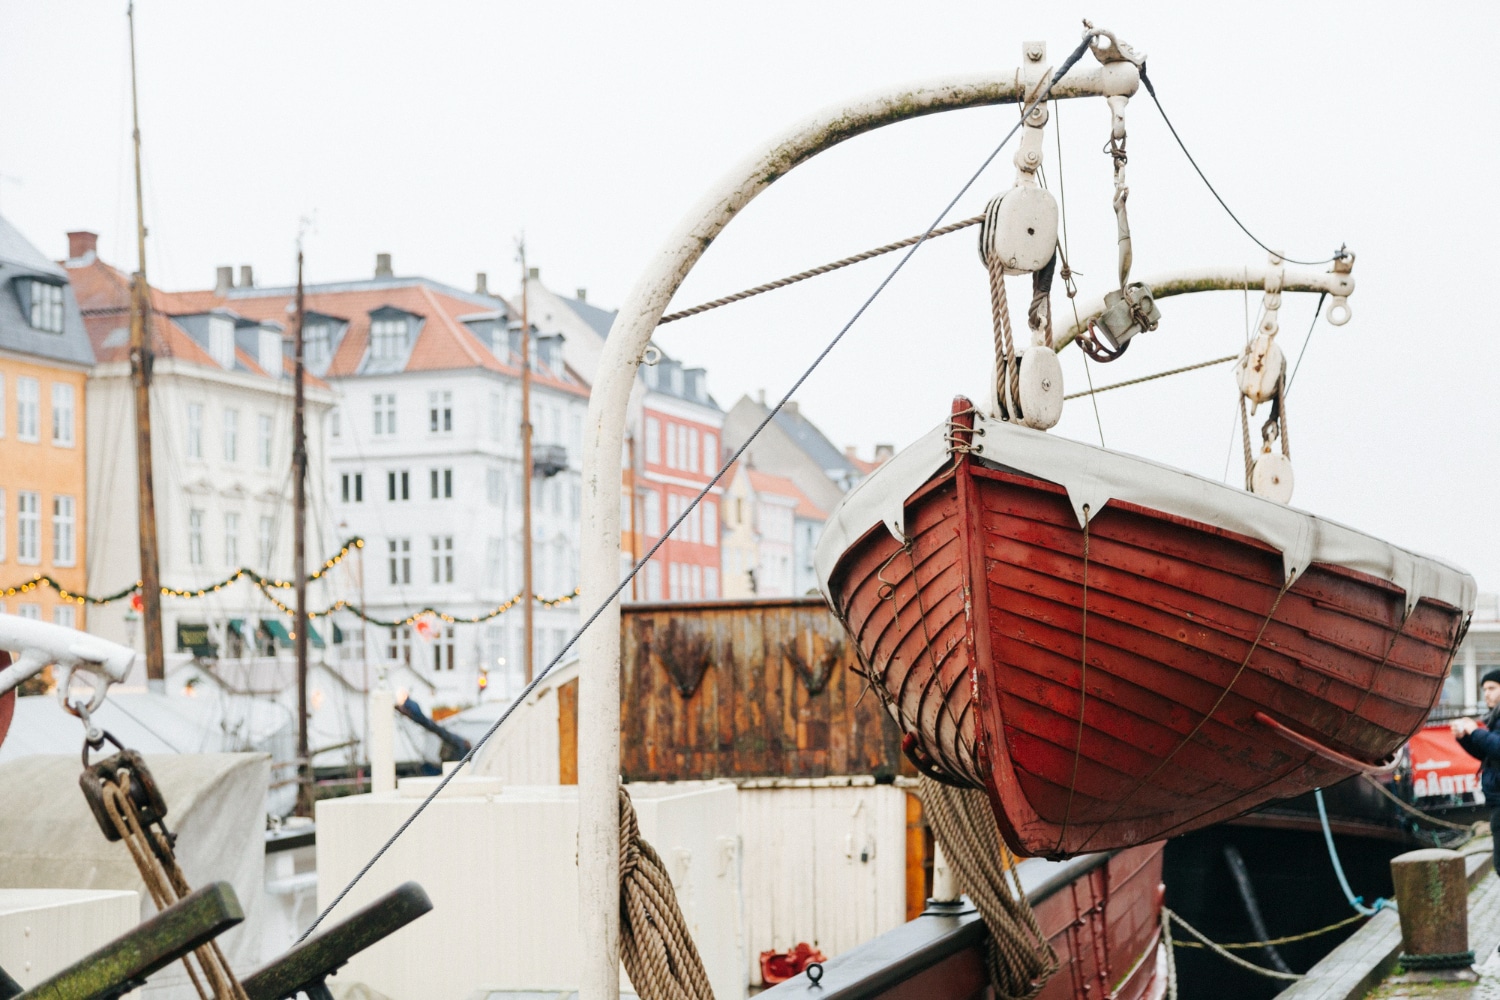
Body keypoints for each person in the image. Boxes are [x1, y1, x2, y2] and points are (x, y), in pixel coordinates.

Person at [1452, 669, 1500, 873]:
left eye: (1492, 688)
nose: (1486, 694)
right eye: (1484, 689)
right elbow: (1488, 755)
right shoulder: (1495, 718)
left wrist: (1475, 730)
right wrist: (1463, 738)